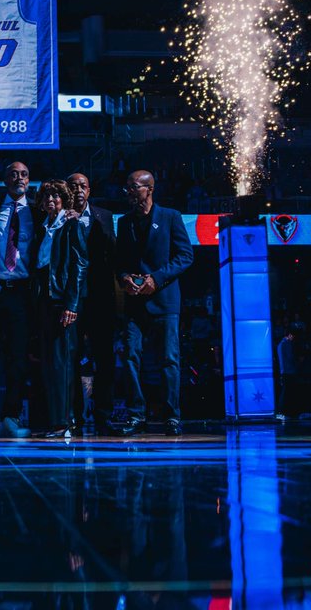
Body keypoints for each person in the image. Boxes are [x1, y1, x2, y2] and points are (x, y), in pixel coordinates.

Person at [114, 170, 194, 435]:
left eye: (134, 187)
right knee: (130, 356)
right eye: (127, 187)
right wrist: (124, 277)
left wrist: (156, 279)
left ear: (149, 189)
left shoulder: (171, 217)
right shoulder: (124, 222)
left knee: (169, 360)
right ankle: (136, 415)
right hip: (135, 301)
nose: (128, 191)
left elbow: (185, 256)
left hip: (164, 301)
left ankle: (172, 416)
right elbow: (120, 261)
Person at [0, 161, 42, 438]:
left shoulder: (37, 211)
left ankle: (12, 415)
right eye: (13, 174)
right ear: (5, 180)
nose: (19, 178)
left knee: (18, 355)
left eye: (24, 174)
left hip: (23, 291)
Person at [31, 179, 89, 438]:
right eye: (47, 197)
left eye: (56, 196)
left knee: (62, 362)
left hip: (62, 300)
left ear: (64, 200)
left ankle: (64, 421)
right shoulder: (42, 227)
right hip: (44, 299)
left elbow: (80, 265)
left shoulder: (71, 224)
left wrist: (71, 304)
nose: (51, 201)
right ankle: (54, 419)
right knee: (48, 362)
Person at [66, 172, 117, 434]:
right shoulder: (58, 216)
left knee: (104, 358)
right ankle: (73, 416)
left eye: (83, 186)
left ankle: (103, 416)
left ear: (89, 190)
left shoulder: (104, 216)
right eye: (73, 186)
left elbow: (112, 254)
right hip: (70, 300)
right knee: (71, 358)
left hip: (100, 297)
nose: (78, 190)